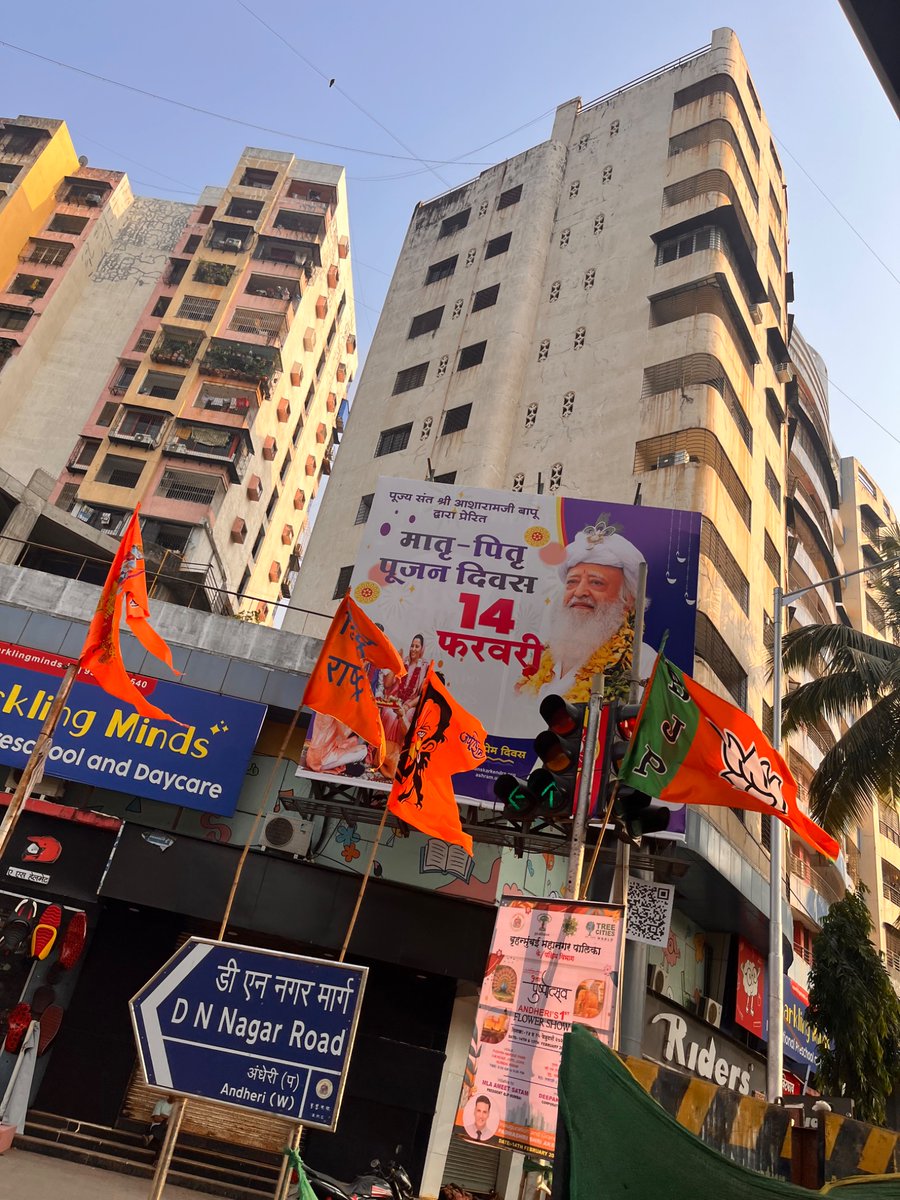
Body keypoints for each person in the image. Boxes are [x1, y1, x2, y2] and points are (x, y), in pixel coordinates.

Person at [517, 523, 655, 704]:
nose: (580, 592)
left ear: (627, 600)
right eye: (572, 582)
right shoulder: (545, 655)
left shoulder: (642, 664)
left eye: (596, 583)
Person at [379, 633, 427, 746]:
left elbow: (422, 694)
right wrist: (397, 662)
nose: (413, 649)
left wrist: (408, 706)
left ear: (422, 649)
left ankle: (398, 754)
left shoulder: (425, 667)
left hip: (411, 704)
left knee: (408, 715)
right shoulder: (403, 662)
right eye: (412, 646)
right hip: (397, 699)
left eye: (417, 646)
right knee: (388, 713)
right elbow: (388, 684)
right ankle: (383, 751)